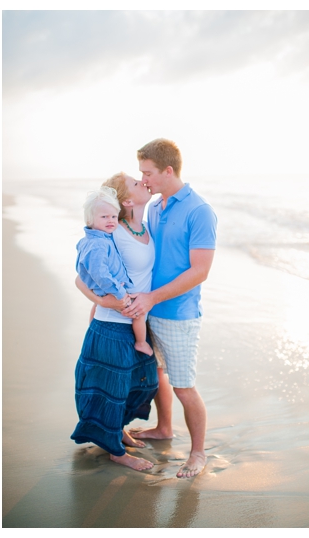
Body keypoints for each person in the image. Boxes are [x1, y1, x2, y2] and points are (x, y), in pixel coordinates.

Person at [85, 139, 217, 479]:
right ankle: (164, 428)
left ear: (167, 171)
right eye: (140, 174)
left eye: (148, 173)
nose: (144, 179)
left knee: (183, 385)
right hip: (146, 311)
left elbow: (200, 270)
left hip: (178, 314)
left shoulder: (199, 211)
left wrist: (152, 298)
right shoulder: (156, 207)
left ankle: (198, 453)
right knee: (155, 374)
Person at [71, 175, 158, 471]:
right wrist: (110, 301)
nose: (142, 181)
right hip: (113, 324)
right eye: (135, 182)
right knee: (113, 388)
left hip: (134, 319)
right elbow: (84, 276)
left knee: (141, 383)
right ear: (126, 200)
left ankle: (118, 431)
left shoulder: (144, 227)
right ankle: (116, 452)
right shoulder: (113, 233)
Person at [75, 185, 152, 356]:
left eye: (113, 217)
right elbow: (100, 274)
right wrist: (118, 292)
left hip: (107, 289)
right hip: (113, 291)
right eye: (104, 217)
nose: (110, 221)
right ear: (90, 220)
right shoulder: (99, 243)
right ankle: (141, 343)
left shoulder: (97, 238)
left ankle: (92, 330)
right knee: (138, 313)